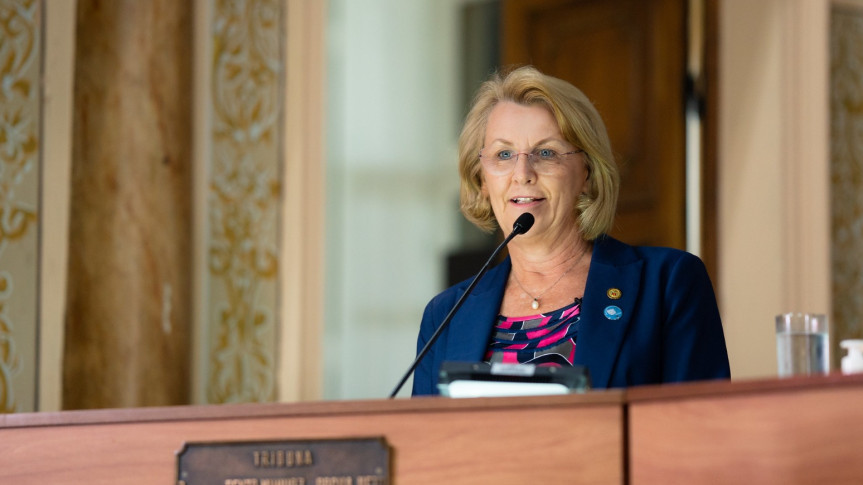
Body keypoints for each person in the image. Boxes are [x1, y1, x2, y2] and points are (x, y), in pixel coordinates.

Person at [411, 66, 730, 396]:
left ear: (587, 173)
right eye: (504, 154)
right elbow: (423, 429)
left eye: (546, 152)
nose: (522, 173)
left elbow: (701, 422)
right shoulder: (445, 316)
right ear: (481, 180)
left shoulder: (668, 283)